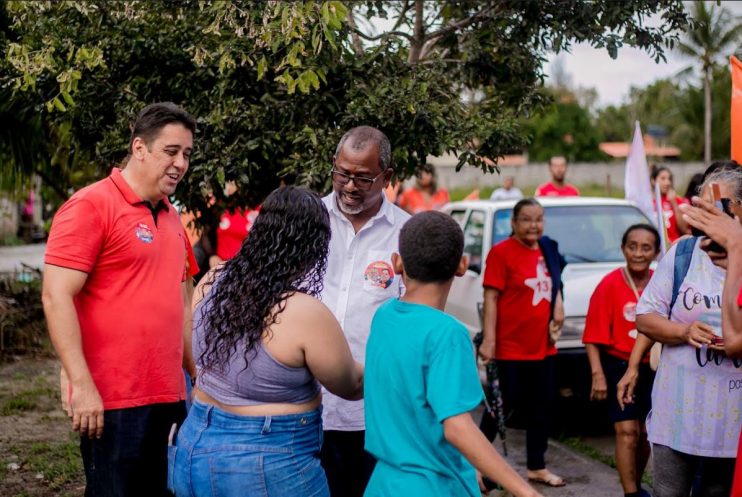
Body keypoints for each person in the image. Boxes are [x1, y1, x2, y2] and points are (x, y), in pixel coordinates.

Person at [42, 102, 197, 497]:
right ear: (139, 147)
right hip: (113, 400)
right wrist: (81, 383)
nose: (180, 163)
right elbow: (56, 294)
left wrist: (199, 377)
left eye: (187, 154)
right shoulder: (91, 205)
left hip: (170, 396)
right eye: (171, 151)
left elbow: (181, 303)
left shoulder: (171, 216)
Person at [169, 187, 364, 497]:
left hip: (195, 444)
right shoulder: (302, 311)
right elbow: (351, 384)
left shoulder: (212, 278)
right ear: (314, 248)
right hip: (266, 462)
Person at [364, 211, 543, 497]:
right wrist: (525, 491)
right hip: (433, 487)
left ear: (397, 263)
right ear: (462, 266)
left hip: (384, 483)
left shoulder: (384, 316)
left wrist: (468, 462)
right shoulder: (447, 334)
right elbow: (458, 428)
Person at [617, 166, 742, 497]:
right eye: (699, 203)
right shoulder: (684, 253)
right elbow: (645, 317)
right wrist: (683, 331)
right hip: (678, 413)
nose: (704, 212)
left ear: (739, 209)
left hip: (732, 421)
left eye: (717, 204)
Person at [320, 125, 411, 497]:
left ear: (386, 177)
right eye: (342, 174)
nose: (349, 186)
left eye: (362, 177)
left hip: (374, 415)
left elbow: (412, 317)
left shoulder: (406, 232)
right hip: (308, 407)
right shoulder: (310, 221)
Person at [478, 198, 567, 487]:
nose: (534, 225)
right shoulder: (501, 253)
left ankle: (536, 466)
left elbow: (557, 282)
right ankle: (476, 463)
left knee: (542, 407)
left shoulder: (549, 248)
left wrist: (559, 304)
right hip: (510, 347)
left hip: (543, 346)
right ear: (514, 224)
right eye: (527, 219)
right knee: (501, 408)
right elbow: (490, 298)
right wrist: (489, 341)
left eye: (539, 219)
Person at [582, 224, 660, 497]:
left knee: (647, 434)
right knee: (627, 432)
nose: (638, 253)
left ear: (657, 252)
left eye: (646, 248)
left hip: (654, 367)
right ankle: (630, 494)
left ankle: (636, 485)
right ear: (623, 249)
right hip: (618, 366)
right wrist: (598, 374)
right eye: (632, 246)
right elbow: (592, 335)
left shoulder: (661, 281)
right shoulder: (610, 283)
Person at [650, 165, 689, 243]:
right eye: (663, 178)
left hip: (673, 246)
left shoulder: (678, 200)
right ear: (653, 181)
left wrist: (674, 203)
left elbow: (684, 229)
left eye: (669, 179)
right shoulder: (648, 202)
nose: (667, 182)